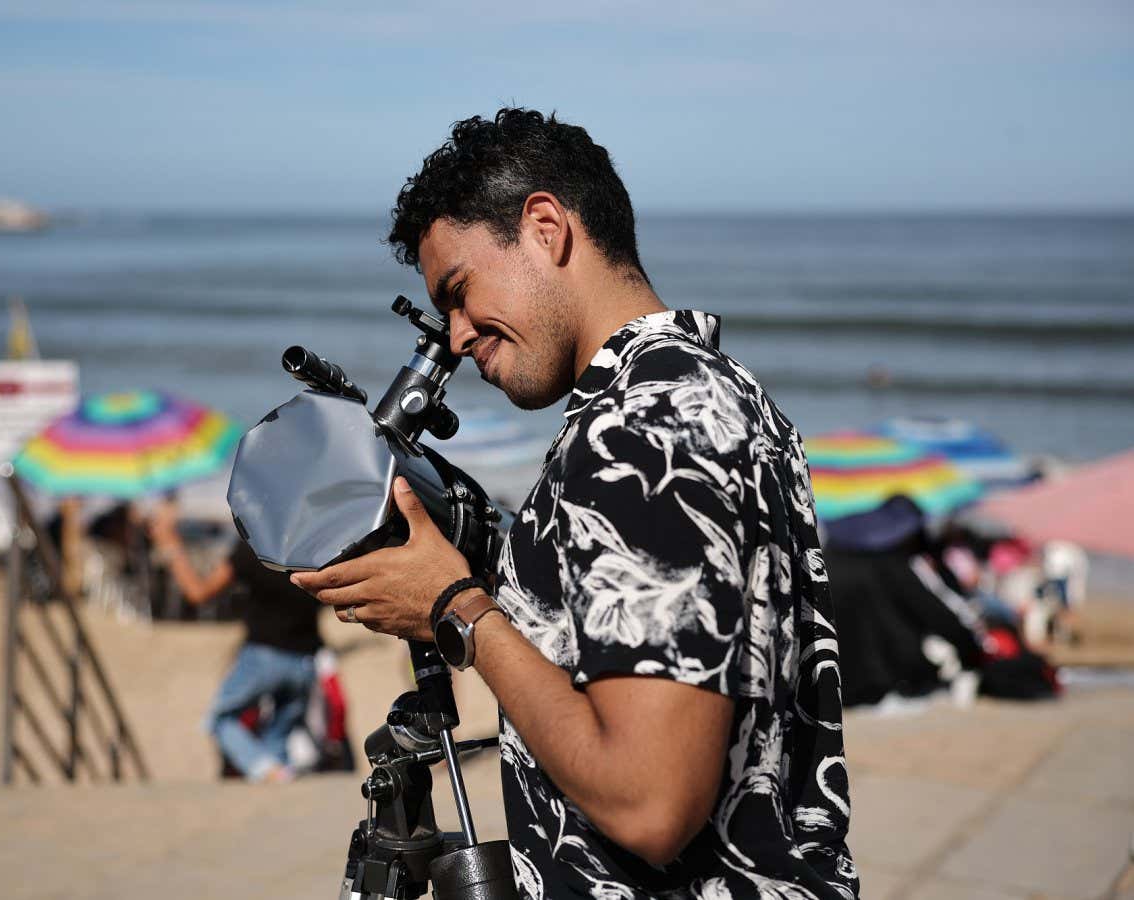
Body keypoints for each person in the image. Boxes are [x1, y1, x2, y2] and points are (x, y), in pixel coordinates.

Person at [293, 109, 858, 898]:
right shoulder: (715, 391)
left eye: (459, 292)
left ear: (546, 227)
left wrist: (454, 606)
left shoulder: (644, 429)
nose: (453, 337)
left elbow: (650, 800)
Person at [148, 499, 325, 783]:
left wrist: (170, 546)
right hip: (305, 662)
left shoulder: (254, 549)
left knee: (221, 720)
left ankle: (264, 770)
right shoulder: (313, 551)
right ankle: (275, 782)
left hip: (264, 654)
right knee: (278, 739)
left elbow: (198, 592)